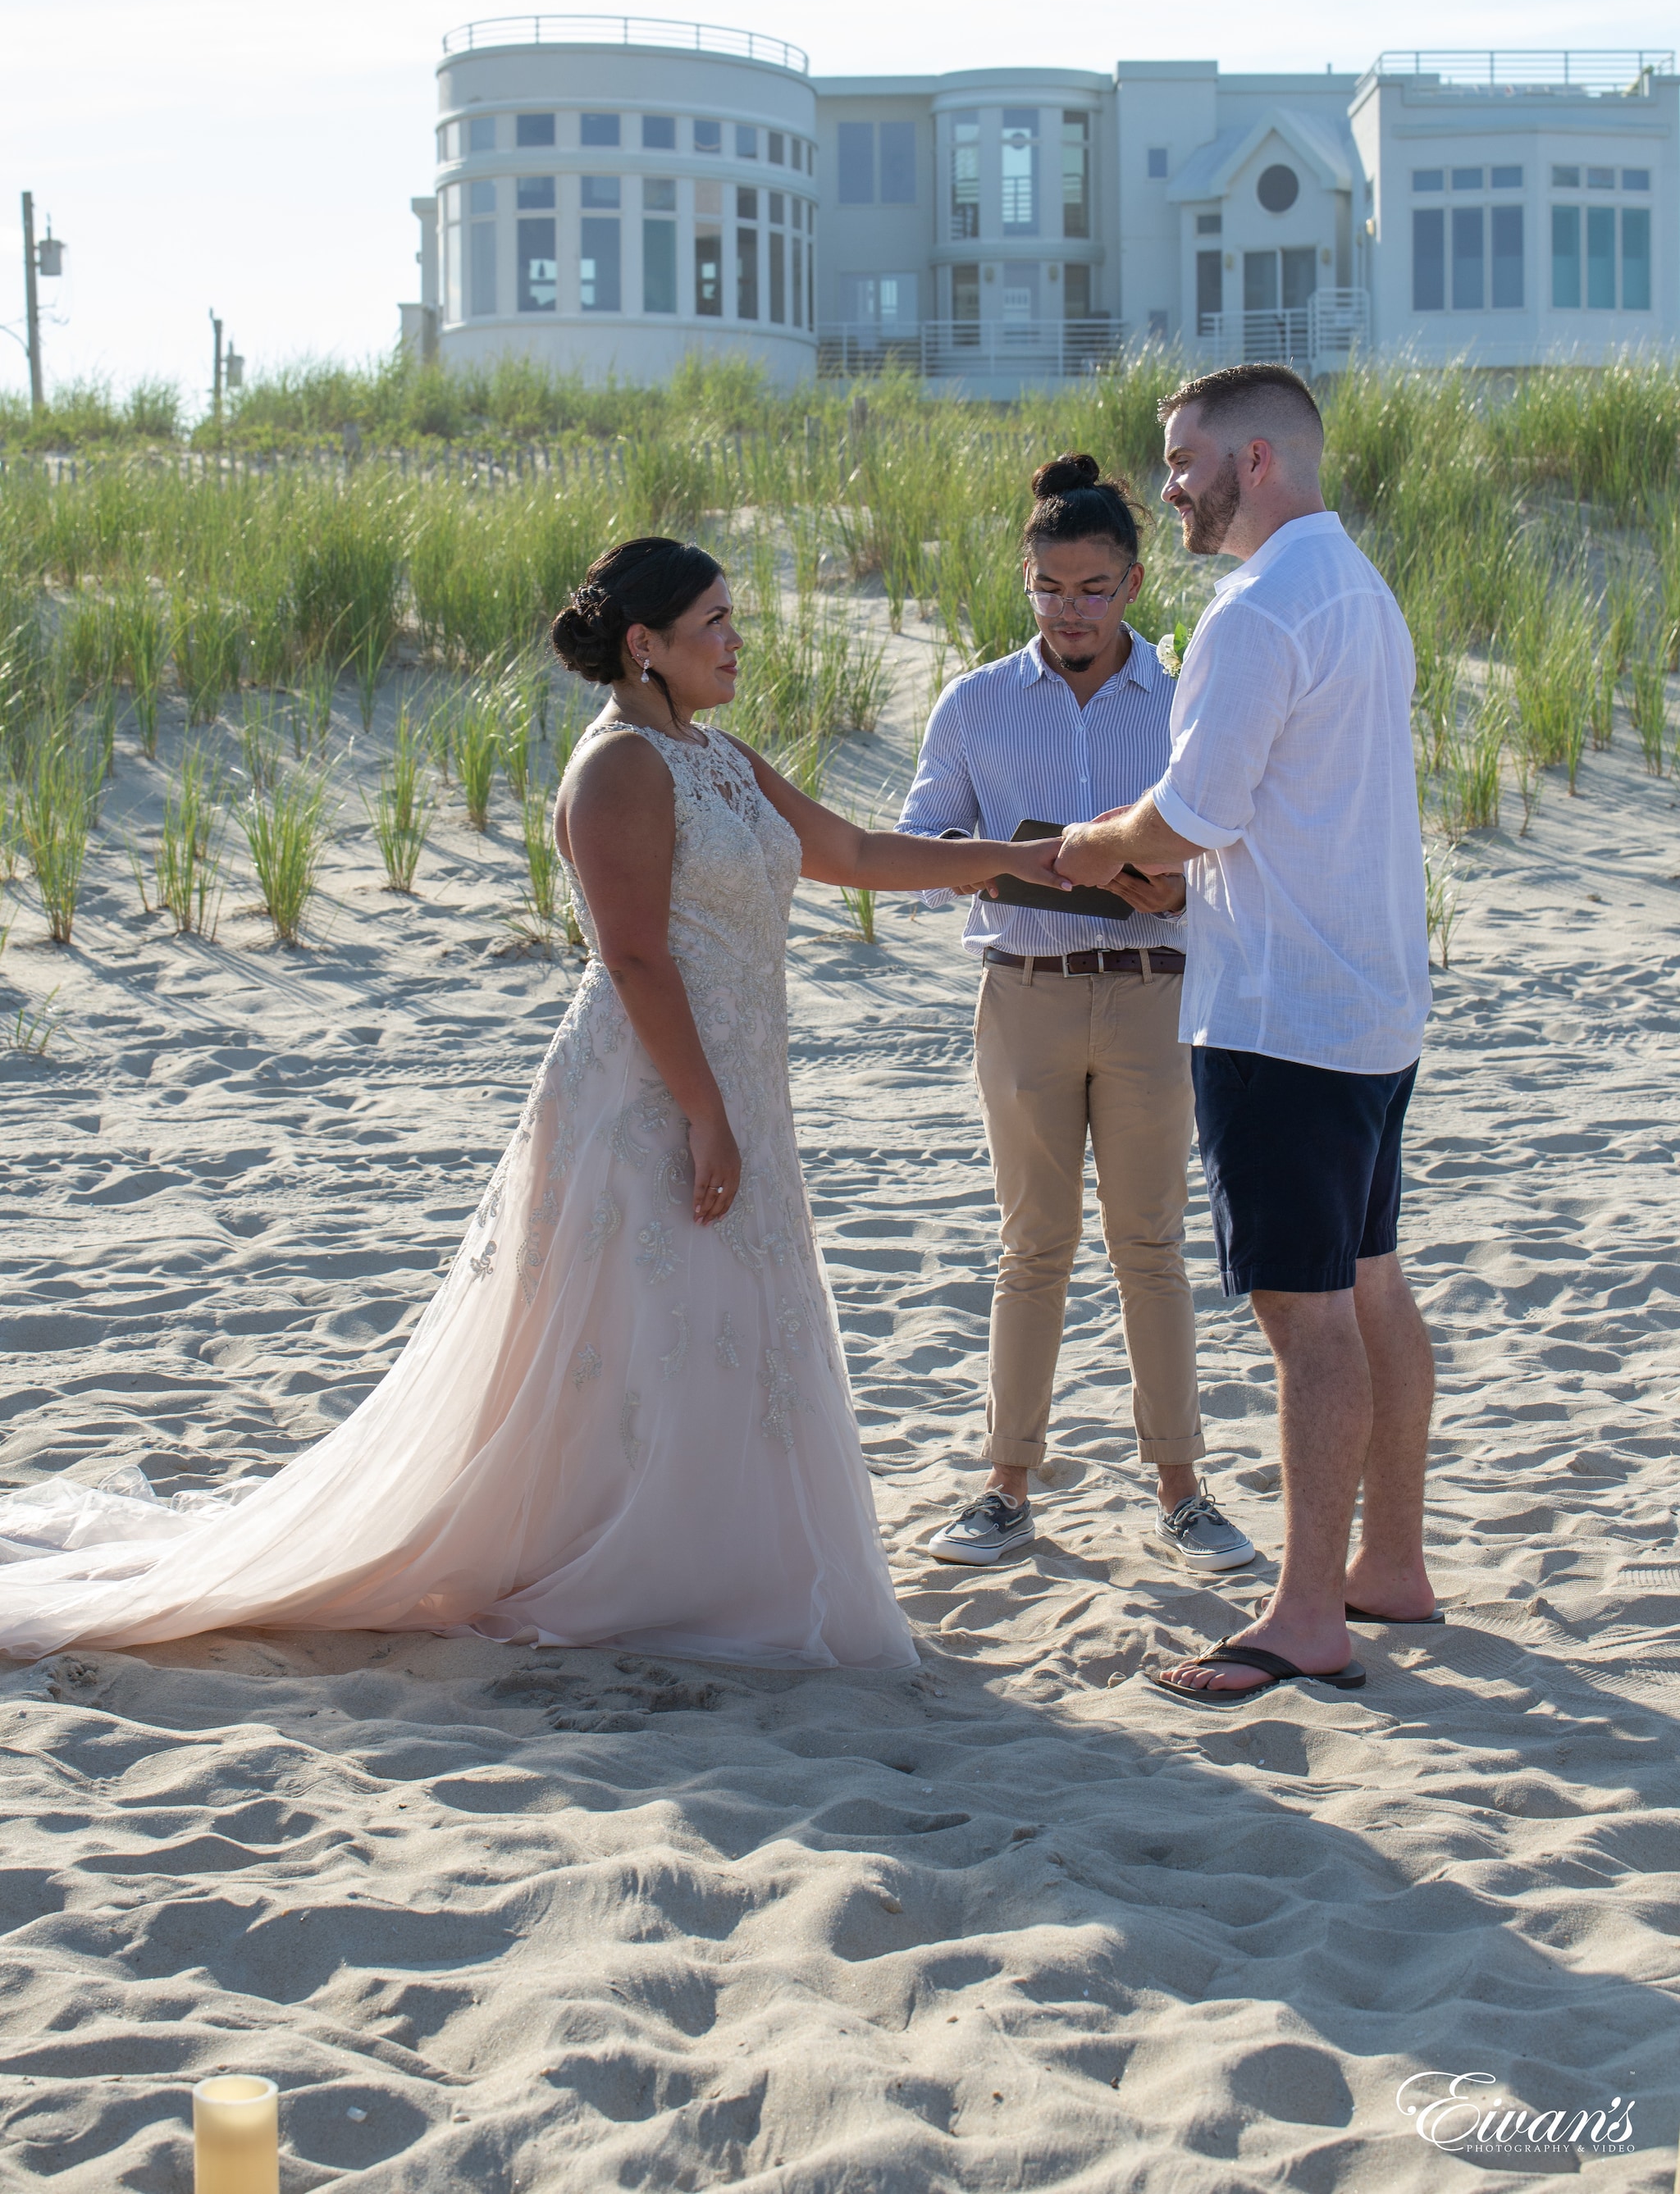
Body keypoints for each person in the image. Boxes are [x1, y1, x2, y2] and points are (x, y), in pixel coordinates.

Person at [0, 537, 1069, 1668]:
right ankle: (626, 1565)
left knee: (720, 1322)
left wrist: (1034, 863)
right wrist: (708, 1112)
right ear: (644, 644)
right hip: (652, 1084)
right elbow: (634, 960)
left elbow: (851, 850)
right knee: (638, 1325)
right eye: (714, 620)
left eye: (732, 617)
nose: (736, 638)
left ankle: (702, 1560)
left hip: (739, 1077)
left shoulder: (717, 754)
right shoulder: (616, 769)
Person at [1054, 366, 1435, 1705]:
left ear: (1257, 460)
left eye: (1183, 460)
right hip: (1373, 1001)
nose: (1168, 486)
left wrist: (1085, 848)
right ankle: (1391, 1565)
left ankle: (1307, 1615)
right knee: (1373, 1283)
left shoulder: (1261, 607)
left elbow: (1188, 819)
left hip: (1282, 1015)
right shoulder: (1357, 586)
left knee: (1306, 1316)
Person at [900, 455, 1255, 1578]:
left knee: (1151, 1247)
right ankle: (1006, 1487)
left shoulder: (1189, 693)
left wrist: (1168, 884)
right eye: (1050, 588)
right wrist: (1077, 871)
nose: (1070, 610)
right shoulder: (976, 702)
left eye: (1094, 588)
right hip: (1025, 998)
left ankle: (1185, 1495)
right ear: (1027, 581)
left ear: (1135, 584)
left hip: (1157, 998)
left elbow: (1239, 848)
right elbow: (926, 852)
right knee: (1030, 1250)